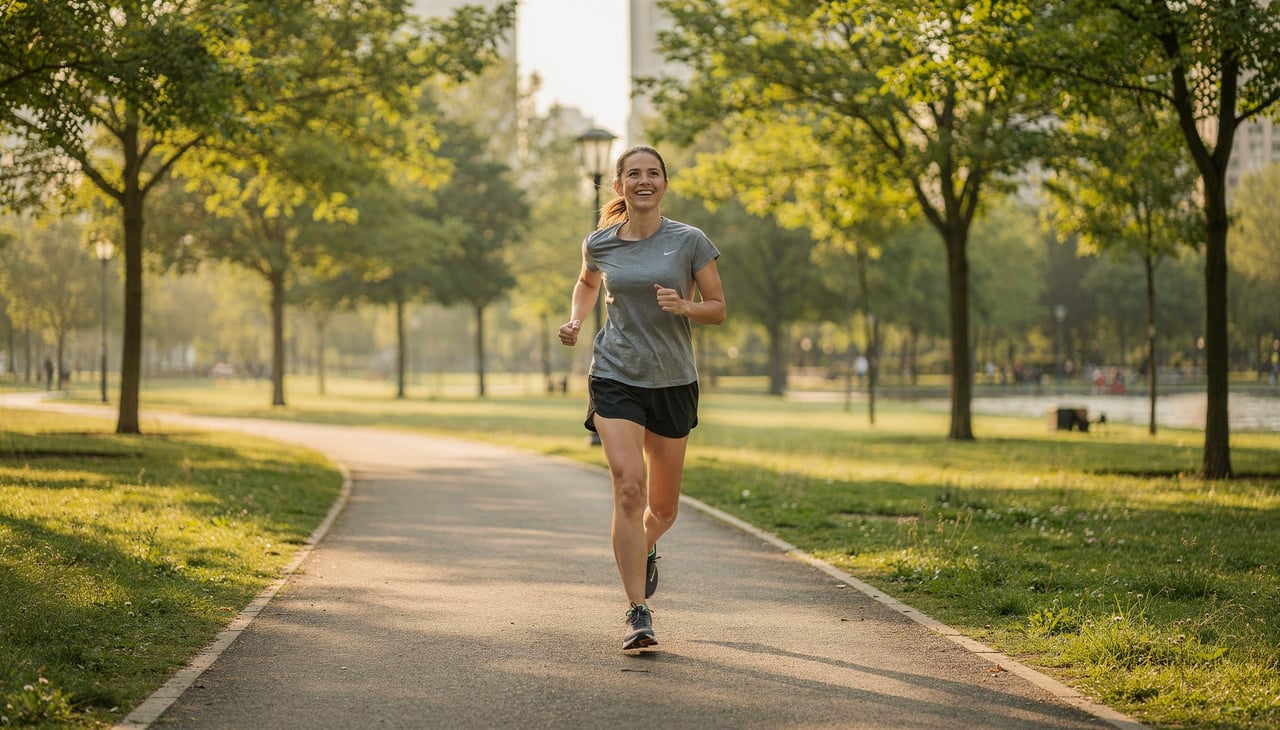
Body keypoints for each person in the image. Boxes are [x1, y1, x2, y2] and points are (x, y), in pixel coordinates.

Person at [557, 145, 726, 651]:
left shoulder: (690, 242)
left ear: (665, 184)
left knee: (664, 509)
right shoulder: (600, 243)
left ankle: (641, 547)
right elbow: (587, 284)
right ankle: (637, 612)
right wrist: (576, 319)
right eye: (634, 173)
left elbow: (717, 308)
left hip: (673, 379)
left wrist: (685, 307)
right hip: (615, 374)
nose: (644, 180)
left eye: (653, 173)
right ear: (619, 186)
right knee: (629, 487)